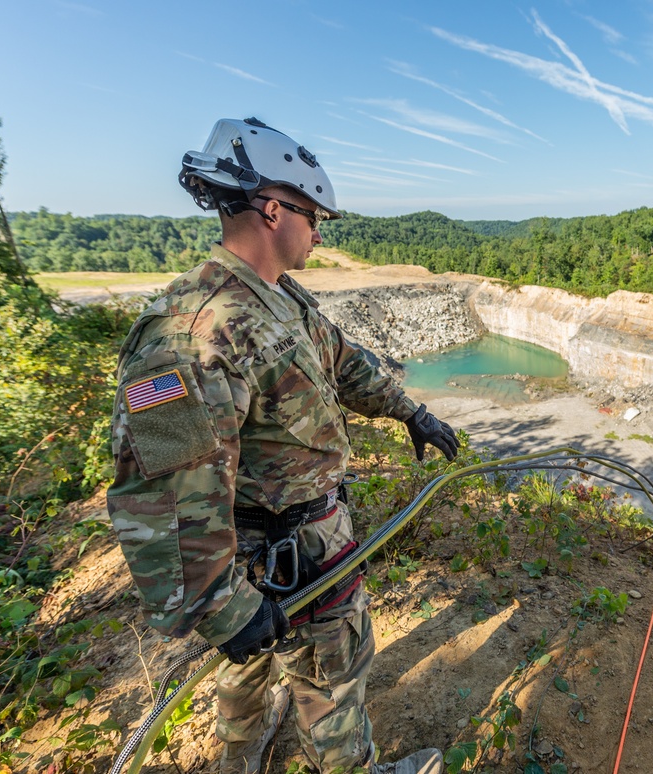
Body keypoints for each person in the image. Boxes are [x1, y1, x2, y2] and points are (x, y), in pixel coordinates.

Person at [106, 117, 455, 774]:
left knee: (249, 675)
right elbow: (163, 485)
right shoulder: (192, 332)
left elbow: (340, 358)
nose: (319, 233)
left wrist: (411, 411)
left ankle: (241, 756)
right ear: (272, 208)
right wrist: (221, 605)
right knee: (332, 679)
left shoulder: (275, 297)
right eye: (313, 216)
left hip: (292, 547)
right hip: (273, 554)